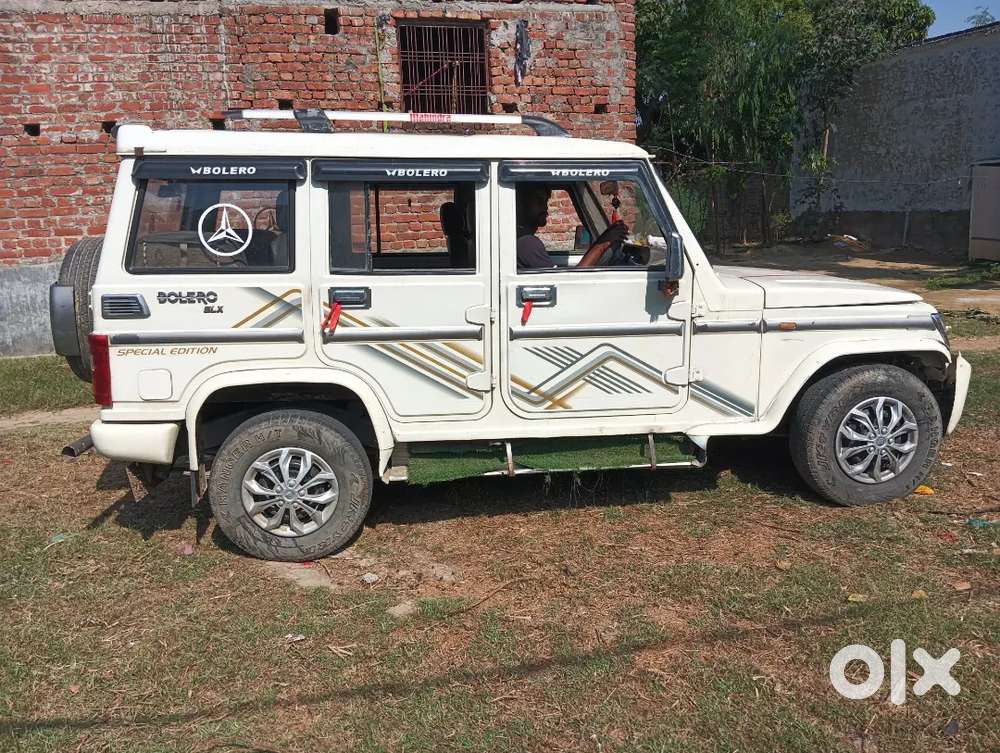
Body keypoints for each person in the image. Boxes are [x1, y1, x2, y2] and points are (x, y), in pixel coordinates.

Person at [516, 183, 629, 269]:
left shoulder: (521, 241)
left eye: (546, 202)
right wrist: (602, 245)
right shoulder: (526, 243)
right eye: (539, 201)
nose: (545, 208)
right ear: (519, 204)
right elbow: (563, 288)